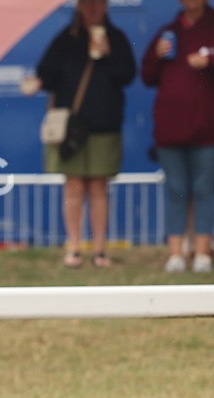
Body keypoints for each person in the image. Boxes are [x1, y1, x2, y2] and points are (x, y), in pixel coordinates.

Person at [32, 0, 136, 268]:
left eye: (98, 3)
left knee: (99, 187)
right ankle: (74, 247)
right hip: (72, 129)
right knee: (74, 186)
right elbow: (46, 72)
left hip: (105, 125)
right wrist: (37, 82)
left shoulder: (117, 38)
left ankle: (100, 249)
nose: (93, 9)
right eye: (87, 4)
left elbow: (127, 75)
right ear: (79, 6)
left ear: (106, 6)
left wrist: (108, 54)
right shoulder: (66, 39)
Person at [142, 0, 214, 274]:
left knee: (204, 189)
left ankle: (202, 253)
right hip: (171, 129)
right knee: (176, 190)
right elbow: (147, 75)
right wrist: (157, 55)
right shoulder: (168, 31)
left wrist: (209, 61)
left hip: (207, 130)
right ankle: (176, 254)